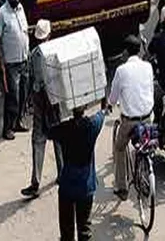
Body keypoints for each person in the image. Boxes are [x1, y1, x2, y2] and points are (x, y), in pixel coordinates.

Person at [47, 103, 105, 241]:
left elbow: (48, 132)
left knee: (67, 231)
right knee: (84, 229)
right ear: (85, 107)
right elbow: (103, 112)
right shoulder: (93, 125)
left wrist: (51, 109)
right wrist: (104, 101)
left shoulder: (64, 129)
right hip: (86, 187)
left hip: (67, 186)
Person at [107, 36, 154, 201]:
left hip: (130, 121)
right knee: (146, 143)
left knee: (119, 148)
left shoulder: (121, 70)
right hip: (148, 116)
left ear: (126, 52)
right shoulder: (148, 67)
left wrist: (109, 105)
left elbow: (113, 97)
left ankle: (122, 187)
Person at [21, 19, 63, 199]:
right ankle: (63, 173)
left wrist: (27, 102)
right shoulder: (56, 51)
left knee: (38, 139)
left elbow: (29, 79)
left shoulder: (33, 55)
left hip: (39, 99)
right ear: (49, 35)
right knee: (59, 136)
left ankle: (35, 182)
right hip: (54, 99)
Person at [0, 0, 29, 139]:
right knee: (12, 96)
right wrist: (1, 64)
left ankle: (18, 122)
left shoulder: (21, 9)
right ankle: (7, 127)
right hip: (11, 63)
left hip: (24, 59)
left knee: (23, 93)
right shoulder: (1, 13)